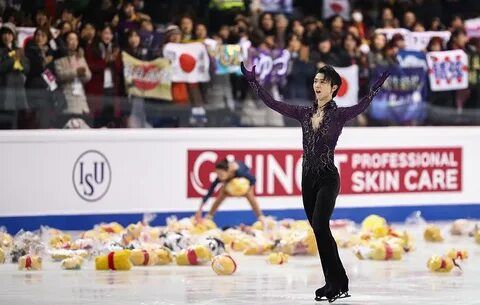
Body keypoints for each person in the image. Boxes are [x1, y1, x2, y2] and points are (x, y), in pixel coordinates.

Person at [241, 62, 389, 302]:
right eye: (316, 80)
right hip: (307, 178)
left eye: (322, 81)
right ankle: (337, 281)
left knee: (320, 225)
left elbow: (361, 106)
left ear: (334, 87)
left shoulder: (339, 115)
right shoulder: (304, 113)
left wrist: (375, 89)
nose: (317, 84)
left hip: (328, 178)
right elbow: (274, 104)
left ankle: (335, 283)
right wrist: (253, 83)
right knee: (320, 231)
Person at [195, 159, 264, 221]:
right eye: (217, 174)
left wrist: (249, 190)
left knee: (249, 195)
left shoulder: (239, 172)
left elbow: (253, 179)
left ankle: (261, 217)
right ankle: (209, 217)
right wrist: (200, 209)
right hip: (230, 182)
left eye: (221, 174)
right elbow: (209, 192)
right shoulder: (220, 177)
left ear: (228, 171)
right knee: (221, 195)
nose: (219, 177)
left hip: (242, 181)